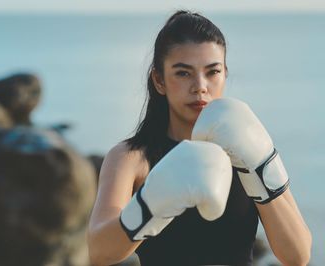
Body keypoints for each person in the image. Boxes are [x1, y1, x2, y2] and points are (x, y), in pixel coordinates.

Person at [87, 10, 312, 266]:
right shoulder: (132, 157)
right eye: (183, 73)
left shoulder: (248, 146)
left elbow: (298, 256)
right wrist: (153, 202)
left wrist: (260, 170)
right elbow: (99, 252)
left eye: (212, 72)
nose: (200, 86)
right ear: (159, 80)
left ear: (225, 74)